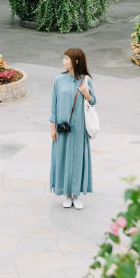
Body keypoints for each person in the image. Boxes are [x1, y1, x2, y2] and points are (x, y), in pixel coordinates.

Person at [49, 47, 95, 209]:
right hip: (62, 127)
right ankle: (66, 194)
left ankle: (76, 194)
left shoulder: (86, 80)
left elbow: (93, 101)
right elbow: (53, 106)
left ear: (76, 61)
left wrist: (86, 93)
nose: (63, 61)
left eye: (66, 59)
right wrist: (52, 128)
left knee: (77, 159)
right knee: (62, 157)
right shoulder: (58, 80)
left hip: (79, 129)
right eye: (64, 58)